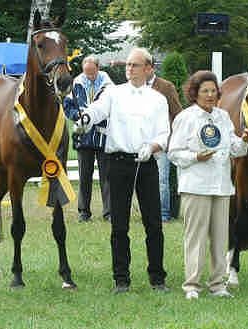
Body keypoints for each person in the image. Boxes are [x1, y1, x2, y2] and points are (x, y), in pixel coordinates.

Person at [74, 48, 169, 293]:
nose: (129, 69)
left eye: (135, 65)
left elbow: (164, 134)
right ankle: (121, 279)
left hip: (146, 164)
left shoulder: (158, 99)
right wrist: (85, 119)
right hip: (117, 163)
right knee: (119, 225)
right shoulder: (113, 93)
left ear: (149, 69)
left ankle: (157, 278)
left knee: (154, 224)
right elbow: (97, 110)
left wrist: (153, 146)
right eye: (127, 64)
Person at [168, 71, 248, 300]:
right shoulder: (185, 118)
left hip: (222, 186)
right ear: (194, 93)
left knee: (220, 237)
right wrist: (197, 157)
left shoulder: (223, 117)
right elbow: (174, 153)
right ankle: (192, 285)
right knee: (195, 238)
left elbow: (233, 148)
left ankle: (217, 284)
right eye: (204, 91)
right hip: (196, 186)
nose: (209, 95)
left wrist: (244, 140)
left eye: (213, 91)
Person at [63, 55, 114, 222]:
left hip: (103, 135)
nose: (89, 76)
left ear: (98, 69)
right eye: (86, 73)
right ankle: (84, 212)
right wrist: (75, 115)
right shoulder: (76, 84)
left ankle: (109, 212)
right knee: (84, 175)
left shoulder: (109, 86)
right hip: (83, 136)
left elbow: (115, 107)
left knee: (107, 176)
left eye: (92, 73)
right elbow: (67, 106)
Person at [146, 60, 183, 222]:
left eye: (145, 67)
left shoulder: (166, 86)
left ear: (152, 68)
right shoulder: (134, 87)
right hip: (141, 141)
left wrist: (174, 137)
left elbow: (177, 112)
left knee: (162, 180)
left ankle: (163, 214)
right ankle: (148, 212)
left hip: (162, 141)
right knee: (144, 180)